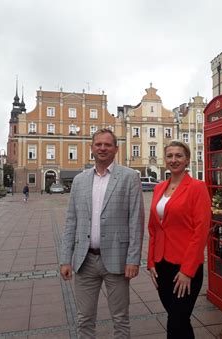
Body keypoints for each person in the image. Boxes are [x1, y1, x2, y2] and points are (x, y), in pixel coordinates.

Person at [60, 128, 144, 339]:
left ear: (116, 148)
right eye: (98, 144)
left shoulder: (129, 177)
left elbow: (136, 221)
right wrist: (65, 259)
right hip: (84, 260)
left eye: (107, 144)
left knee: (120, 318)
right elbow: (71, 221)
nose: (102, 148)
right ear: (91, 148)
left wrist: (133, 259)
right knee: (84, 318)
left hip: (117, 260)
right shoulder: (79, 180)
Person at [147, 140, 211, 339]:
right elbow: (153, 229)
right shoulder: (159, 188)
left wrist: (187, 271)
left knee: (176, 320)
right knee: (179, 319)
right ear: (164, 159)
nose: (173, 160)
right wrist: (151, 262)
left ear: (187, 160)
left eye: (178, 156)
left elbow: (200, 231)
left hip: (184, 266)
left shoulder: (197, 187)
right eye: (169, 156)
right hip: (161, 265)